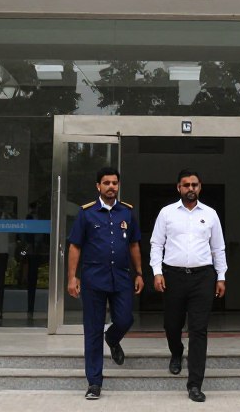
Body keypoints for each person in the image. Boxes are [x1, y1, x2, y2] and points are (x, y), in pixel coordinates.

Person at [150, 168, 227, 403]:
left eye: (194, 185)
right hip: (173, 276)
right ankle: (176, 352)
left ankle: (195, 384)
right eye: (186, 185)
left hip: (203, 277)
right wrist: (157, 272)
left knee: (198, 330)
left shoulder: (211, 214)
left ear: (200, 187)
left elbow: (218, 248)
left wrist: (221, 276)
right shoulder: (166, 213)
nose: (190, 188)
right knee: (171, 325)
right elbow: (156, 244)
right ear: (178, 188)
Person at [67, 167, 144, 400]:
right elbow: (75, 246)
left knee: (125, 319)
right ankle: (94, 383)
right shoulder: (86, 213)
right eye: (106, 183)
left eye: (114, 183)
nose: (111, 186)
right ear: (98, 186)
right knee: (92, 331)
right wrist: (72, 277)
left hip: (121, 277)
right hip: (93, 279)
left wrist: (139, 272)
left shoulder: (127, 213)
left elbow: (133, 245)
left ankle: (112, 338)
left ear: (119, 185)